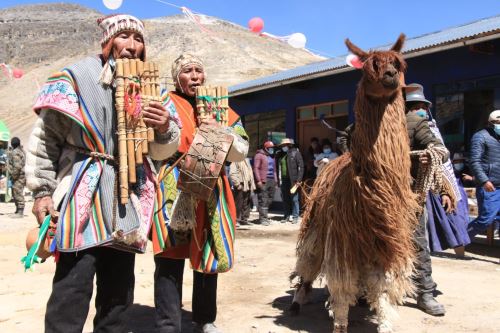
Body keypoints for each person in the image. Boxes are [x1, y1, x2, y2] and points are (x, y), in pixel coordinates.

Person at [26, 14, 180, 332]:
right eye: (124, 37)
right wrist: (41, 190)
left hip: (127, 201)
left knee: (117, 299)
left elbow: (164, 152)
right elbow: (46, 138)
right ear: (108, 42)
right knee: (71, 291)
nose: (132, 46)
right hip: (81, 193)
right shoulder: (74, 77)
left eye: (138, 40)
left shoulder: (153, 90)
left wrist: (164, 126)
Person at [152, 53, 249, 333]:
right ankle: (168, 324)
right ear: (176, 78)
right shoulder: (164, 101)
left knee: (208, 254)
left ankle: (205, 318)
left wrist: (223, 133)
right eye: (187, 71)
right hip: (175, 182)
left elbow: (241, 150)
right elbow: (155, 147)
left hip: (212, 186)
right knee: (170, 256)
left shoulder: (221, 106)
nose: (195, 76)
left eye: (198, 70)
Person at [405, 83, 450, 316]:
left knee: (417, 240)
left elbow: (441, 150)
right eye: (421, 106)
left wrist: (427, 155)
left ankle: (424, 291)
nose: (421, 110)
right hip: (381, 194)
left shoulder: (417, 122)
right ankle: (367, 288)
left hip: (410, 193)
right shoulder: (379, 123)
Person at [408, 89, 471, 255]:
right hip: (412, 184)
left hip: (432, 181)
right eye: (416, 107)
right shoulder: (399, 128)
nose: (421, 111)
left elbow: (440, 153)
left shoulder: (431, 128)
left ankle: (459, 253)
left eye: (423, 107)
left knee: (450, 216)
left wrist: (444, 188)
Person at [467, 110, 500, 238]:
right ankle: (461, 238)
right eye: (498, 123)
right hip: (490, 186)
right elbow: (474, 161)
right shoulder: (481, 136)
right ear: (490, 124)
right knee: (485, 220)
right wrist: (484, 180)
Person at [276, 138, 304, 224]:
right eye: (282, 146)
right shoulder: (280, 155)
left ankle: (295, 216)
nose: (283, 147)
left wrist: (299, 180)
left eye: (285, 145)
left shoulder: (296, 153)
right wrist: (278, 180)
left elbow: (301, 167)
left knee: (294, 199)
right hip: (284, 180)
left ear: (289, 145)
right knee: (285, 198)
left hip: (293, 180)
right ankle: (286, 216)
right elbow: (278, 169)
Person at [253, 140, 277, 226]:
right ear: (266, 148)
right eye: (270, 148)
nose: (272, 149)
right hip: (264, 180)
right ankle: (263, 218)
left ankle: (265, 216)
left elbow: (274, 170)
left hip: (271, 180)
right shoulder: (259, 155)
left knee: (270, 198)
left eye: (273, 148)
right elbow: (256, 168)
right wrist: (258, 180)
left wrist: (276, 180)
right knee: (263, 199)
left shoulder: (272, 156)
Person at [229, 158, 256, 226]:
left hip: (247, 184)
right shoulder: (235, 160)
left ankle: (244, 220)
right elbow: (232, 173)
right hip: (240, 184)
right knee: (239, 203)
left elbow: (250, 172)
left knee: (246, 203)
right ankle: (236, 220)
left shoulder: (247, 160)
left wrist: (251, 184)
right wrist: (237, 184)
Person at [6, 137, 25, 217]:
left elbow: (17, 167)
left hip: (18, 176)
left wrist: (13, 176)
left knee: (18, 193)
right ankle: (18, 210)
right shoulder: (21, 151)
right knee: (16, 193)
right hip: (20, 176)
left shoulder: (15, 152)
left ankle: (20, 212)